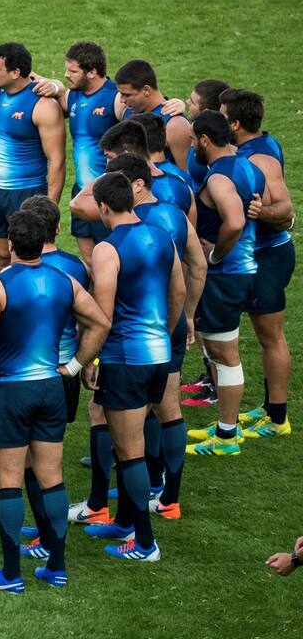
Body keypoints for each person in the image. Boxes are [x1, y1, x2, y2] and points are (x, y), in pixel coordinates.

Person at [0, 210, 109, 592]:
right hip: (50, 387)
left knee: (9, 484)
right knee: (53, 479)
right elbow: (100, 323)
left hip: (12, 390)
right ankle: (56, 567)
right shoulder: (64, 281)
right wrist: (77, 365)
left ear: (11, 244)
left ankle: (11, 575)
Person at [80, 172, 183, 562]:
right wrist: (164, 331)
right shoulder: (161, 237)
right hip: (159, 355)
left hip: (125, 358)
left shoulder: (109, 249)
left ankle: (144, 543)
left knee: (130, 451)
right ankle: (124, 520)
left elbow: (102, 316)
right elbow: (179, 291)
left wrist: (89, 358)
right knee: (135, 444)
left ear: (104, 207)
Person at [14, 195, 91, 558]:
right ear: (57, 228)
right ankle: (47, 534)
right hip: (66, 373)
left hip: (32, 377)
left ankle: (46, 540)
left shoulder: (18, 275)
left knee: (36, 463)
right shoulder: (76, 266)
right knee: (50, 462)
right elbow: (94, 320)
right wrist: (82, 364)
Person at [185, 111, 261, 456]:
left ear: (204, 139)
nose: (191, 146)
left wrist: (215, 255)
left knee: (224, 353)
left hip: (225, 275)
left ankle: (227, 437)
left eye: (193, 140)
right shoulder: (245, 164)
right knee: (220, 350)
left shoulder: (219, 177)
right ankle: (224, 427)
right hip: (237, 272)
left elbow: (233, 222)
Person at [221, 88, 295, 439]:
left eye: (221, 114)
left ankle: (278, 419)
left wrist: (260, 211)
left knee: (270, 337)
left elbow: (286, 211)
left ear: (235, 123)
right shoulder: (256, 146)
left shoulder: (258, 159)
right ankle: (268, 407)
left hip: (266, 255)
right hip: (260, 254)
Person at [0, 43, 66, 273]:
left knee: (31, 259)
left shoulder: (44, 105)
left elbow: (57, 161)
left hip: (28, 193)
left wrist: (50, 210)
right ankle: (3, 306)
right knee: (1, 257)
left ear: (15, 72)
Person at [36, 41, 124, 260]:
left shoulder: (115, 98)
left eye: (73, 71)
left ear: (92, 72)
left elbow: (146, 122)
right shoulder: (75, 95)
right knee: (89, 260)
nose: (67, 75)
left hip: (109, 197)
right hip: (81, 194)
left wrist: (173, 104)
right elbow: (60, 97)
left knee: (113, 260)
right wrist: (55, 86)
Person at [115, 59, 193, 169]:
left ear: (146, 90)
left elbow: (186, 175)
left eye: (127, 95)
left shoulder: (175, 125)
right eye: (121, 94)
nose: (122, 100)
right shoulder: (128, 112)